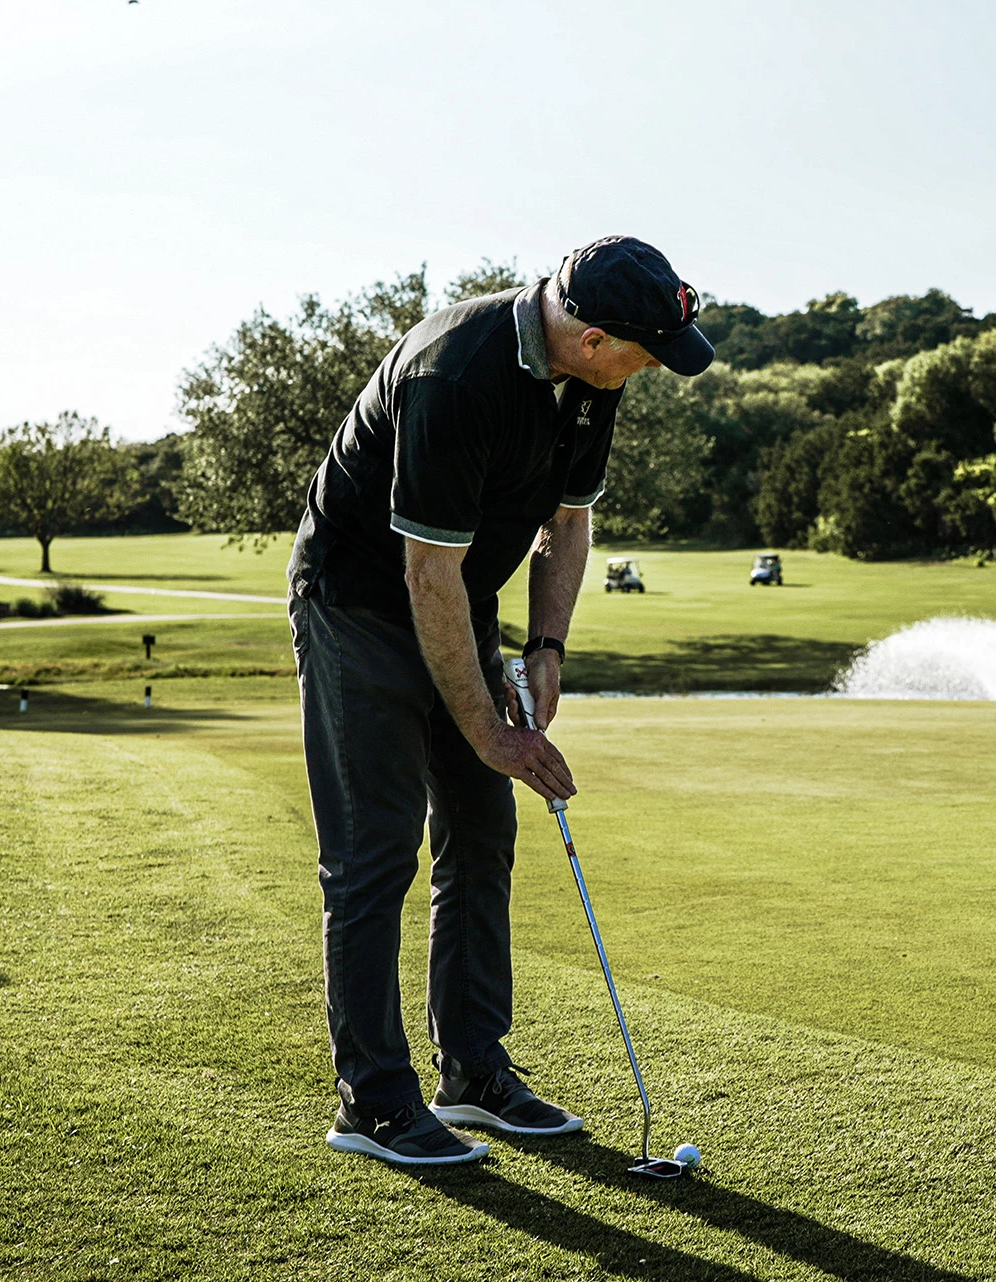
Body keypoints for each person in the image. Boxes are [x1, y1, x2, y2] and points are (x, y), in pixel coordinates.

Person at [286, 236, 713, 1164]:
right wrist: (487, 729)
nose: (650, 371)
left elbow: (566, 519)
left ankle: (471, 1069)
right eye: (644, 353)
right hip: (361, 606)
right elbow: (425, 569)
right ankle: (375, 1101)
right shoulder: (457, 371)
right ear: (594, 336)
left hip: (458, 603)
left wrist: (547, 646)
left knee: (481, 834)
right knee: (372, 856)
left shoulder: (595, 381)